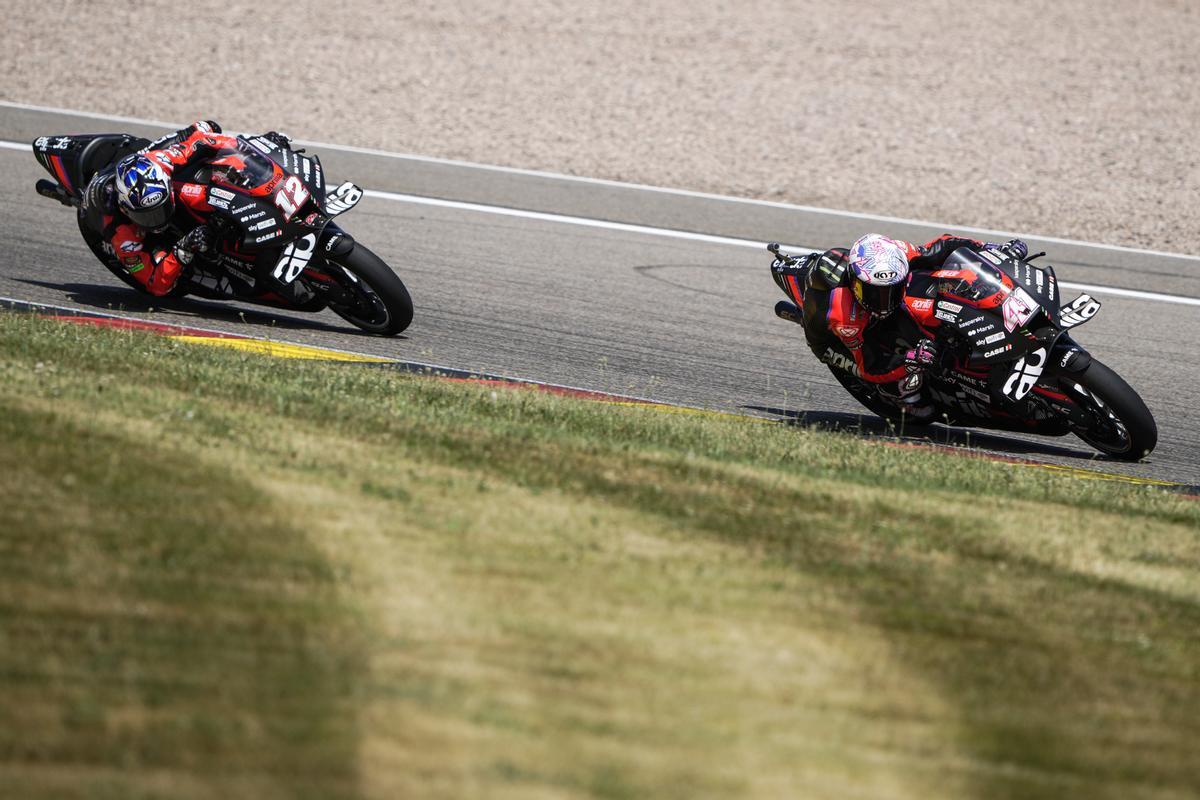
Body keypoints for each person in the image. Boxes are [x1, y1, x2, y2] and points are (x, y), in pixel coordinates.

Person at [772, 233, 1028, 418]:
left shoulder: (897, 253)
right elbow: (869, 363)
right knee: (917, 403)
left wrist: (991, 249)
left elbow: (943, 247)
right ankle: (902, 400)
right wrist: (909, 358)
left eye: (891, 291)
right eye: (874, 293)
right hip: (831, 342)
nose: (883, 301)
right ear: (856, 284)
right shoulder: (844, 315)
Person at [80, 120, 291, 297]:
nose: (157, 220)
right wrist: (184, 248)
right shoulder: (122, 236)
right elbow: (156, 284)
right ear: (126, 210)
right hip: (154, 241)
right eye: (148, 216)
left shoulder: (163, 162)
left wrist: (257, 148)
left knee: (208, 132)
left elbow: (203, 139)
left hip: (156, 166)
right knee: (187, 263)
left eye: (159, 210)